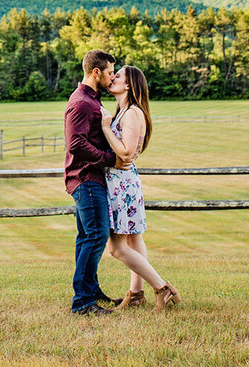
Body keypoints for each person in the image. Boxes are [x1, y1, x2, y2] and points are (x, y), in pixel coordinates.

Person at [99, 65, 180, 310]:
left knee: (115, 248)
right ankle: (135, 294)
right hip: (122, 182)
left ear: (129, 85)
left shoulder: (133, 113)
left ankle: (161, 288)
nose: (113, 78)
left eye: (118, 75)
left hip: (122, 184)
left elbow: (124, 154)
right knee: (134, 239)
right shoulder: (125, 112)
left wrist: (105, 127)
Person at [64, 49, 121, 315]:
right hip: (86, 178)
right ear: (96, 72)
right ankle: (82, 302)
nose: (113, 77)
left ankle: (91, 291)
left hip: (89, 177)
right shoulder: (82, 103)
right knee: (97, 235)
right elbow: (75, 144)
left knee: (87, 236)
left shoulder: (91, 99)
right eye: (110, 72)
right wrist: (109, 158)